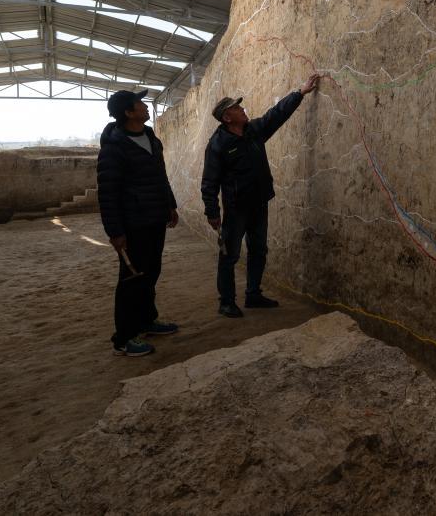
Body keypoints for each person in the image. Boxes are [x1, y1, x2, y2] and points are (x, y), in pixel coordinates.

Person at [201, 74, 321, 318]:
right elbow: (209, 182)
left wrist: (299, 92)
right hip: (236, 209)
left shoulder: (253, 131)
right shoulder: (218, 145)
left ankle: (253, 295)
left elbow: (276, 115)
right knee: (230, 255)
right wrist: (212, 212)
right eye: (237, 108)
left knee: (258, 250)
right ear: (227, 117)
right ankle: (226, 302)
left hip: (259, 203)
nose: (242, 109)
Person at [97, 89, 180, 357]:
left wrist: (170, 205)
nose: (145, 107)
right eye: (140, 104)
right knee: (131, 279)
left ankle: (146, 321)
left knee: (151, 272)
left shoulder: (150, 138)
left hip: (155, 217)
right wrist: (115, 232)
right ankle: (124, 338)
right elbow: (107, 193)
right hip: (133, 224)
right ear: (128, 112)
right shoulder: (114, 147)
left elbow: (160, 175)